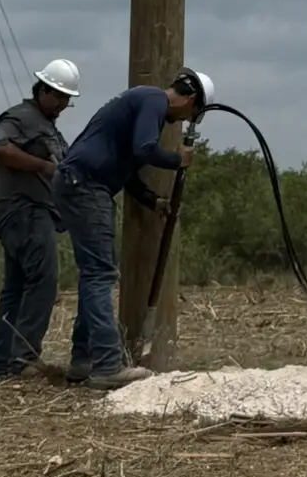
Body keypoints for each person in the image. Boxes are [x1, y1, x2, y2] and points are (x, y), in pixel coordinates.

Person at [50, 67, 214, 390]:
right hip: (86, 185)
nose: (184, 122)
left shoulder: (141, 102)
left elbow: (125, 167)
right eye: (192, 116)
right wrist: (177, 159)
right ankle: (109, 365)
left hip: (78, 182)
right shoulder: (153, 99)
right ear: (191, 100)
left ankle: (83, 361)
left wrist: (153, 201)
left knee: (92, 275)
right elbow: (144, 149)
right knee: (99, 275)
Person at [0, 59, 81, 382]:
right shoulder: (20, 117)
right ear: (42, 90)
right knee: (43, 282)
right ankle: (22, 360)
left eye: (68, 98)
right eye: (60, 96)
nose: (65, 104)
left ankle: (1, 365)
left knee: (16, 288)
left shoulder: (45, 124)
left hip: (24, 212)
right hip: (23, 211)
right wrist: (42, 167)